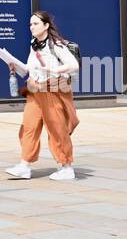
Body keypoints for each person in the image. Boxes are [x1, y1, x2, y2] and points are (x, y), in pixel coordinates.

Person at [6, 11, 80, 180]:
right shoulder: (34, 44)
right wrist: (15, 66)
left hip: (52, 89)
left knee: (56, 128)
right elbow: (30, 69)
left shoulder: (56, 45)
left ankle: (66, 166)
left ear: (46, 26)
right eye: (30, 24)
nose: (32, 27)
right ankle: (24, 165)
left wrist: (54, 70)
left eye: (36, 24)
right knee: (28, 126)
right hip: (35, 90)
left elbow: (73, 65)